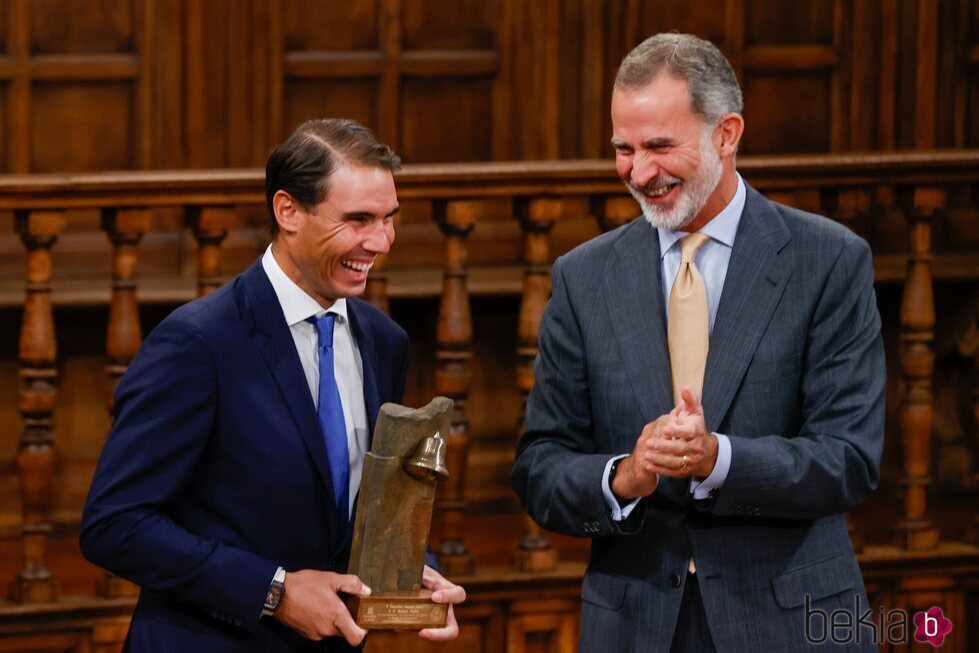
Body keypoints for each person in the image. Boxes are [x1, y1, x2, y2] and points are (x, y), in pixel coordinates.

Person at [511, 33, 884, 652]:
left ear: (727, 133)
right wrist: (625, 476)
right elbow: (540, 466)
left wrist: (718, 459)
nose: (639, 171)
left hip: (789, 623)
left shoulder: (829, 261)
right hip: (634, 626)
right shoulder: (583, 277)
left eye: (659, 146)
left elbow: (848, 460)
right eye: (623, 149)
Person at [81, 118, 465, 652]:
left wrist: (416, 573)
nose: (380, 242)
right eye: (358, 220)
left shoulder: (384, 340)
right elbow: (114, 524)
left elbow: (361, 512)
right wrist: (274, 592)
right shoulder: (198, 342)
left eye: (388, 219)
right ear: (288, 211)